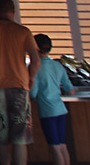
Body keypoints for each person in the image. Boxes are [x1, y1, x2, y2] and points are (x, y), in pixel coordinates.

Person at [0, 0, 41, 165]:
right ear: (13, 12)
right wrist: (32, 77)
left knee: (1, 135)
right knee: (20, 137)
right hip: (20, 86)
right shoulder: (23, 32)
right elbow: (36, 60)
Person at [30, 33, 73, 165]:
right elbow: (70, 89)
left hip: (47, 111)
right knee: (62, 145)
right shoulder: (58, 65)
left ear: (35, 48)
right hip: (61, 109)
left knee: (54, 148)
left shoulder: (35, 67)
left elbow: (33, 93)